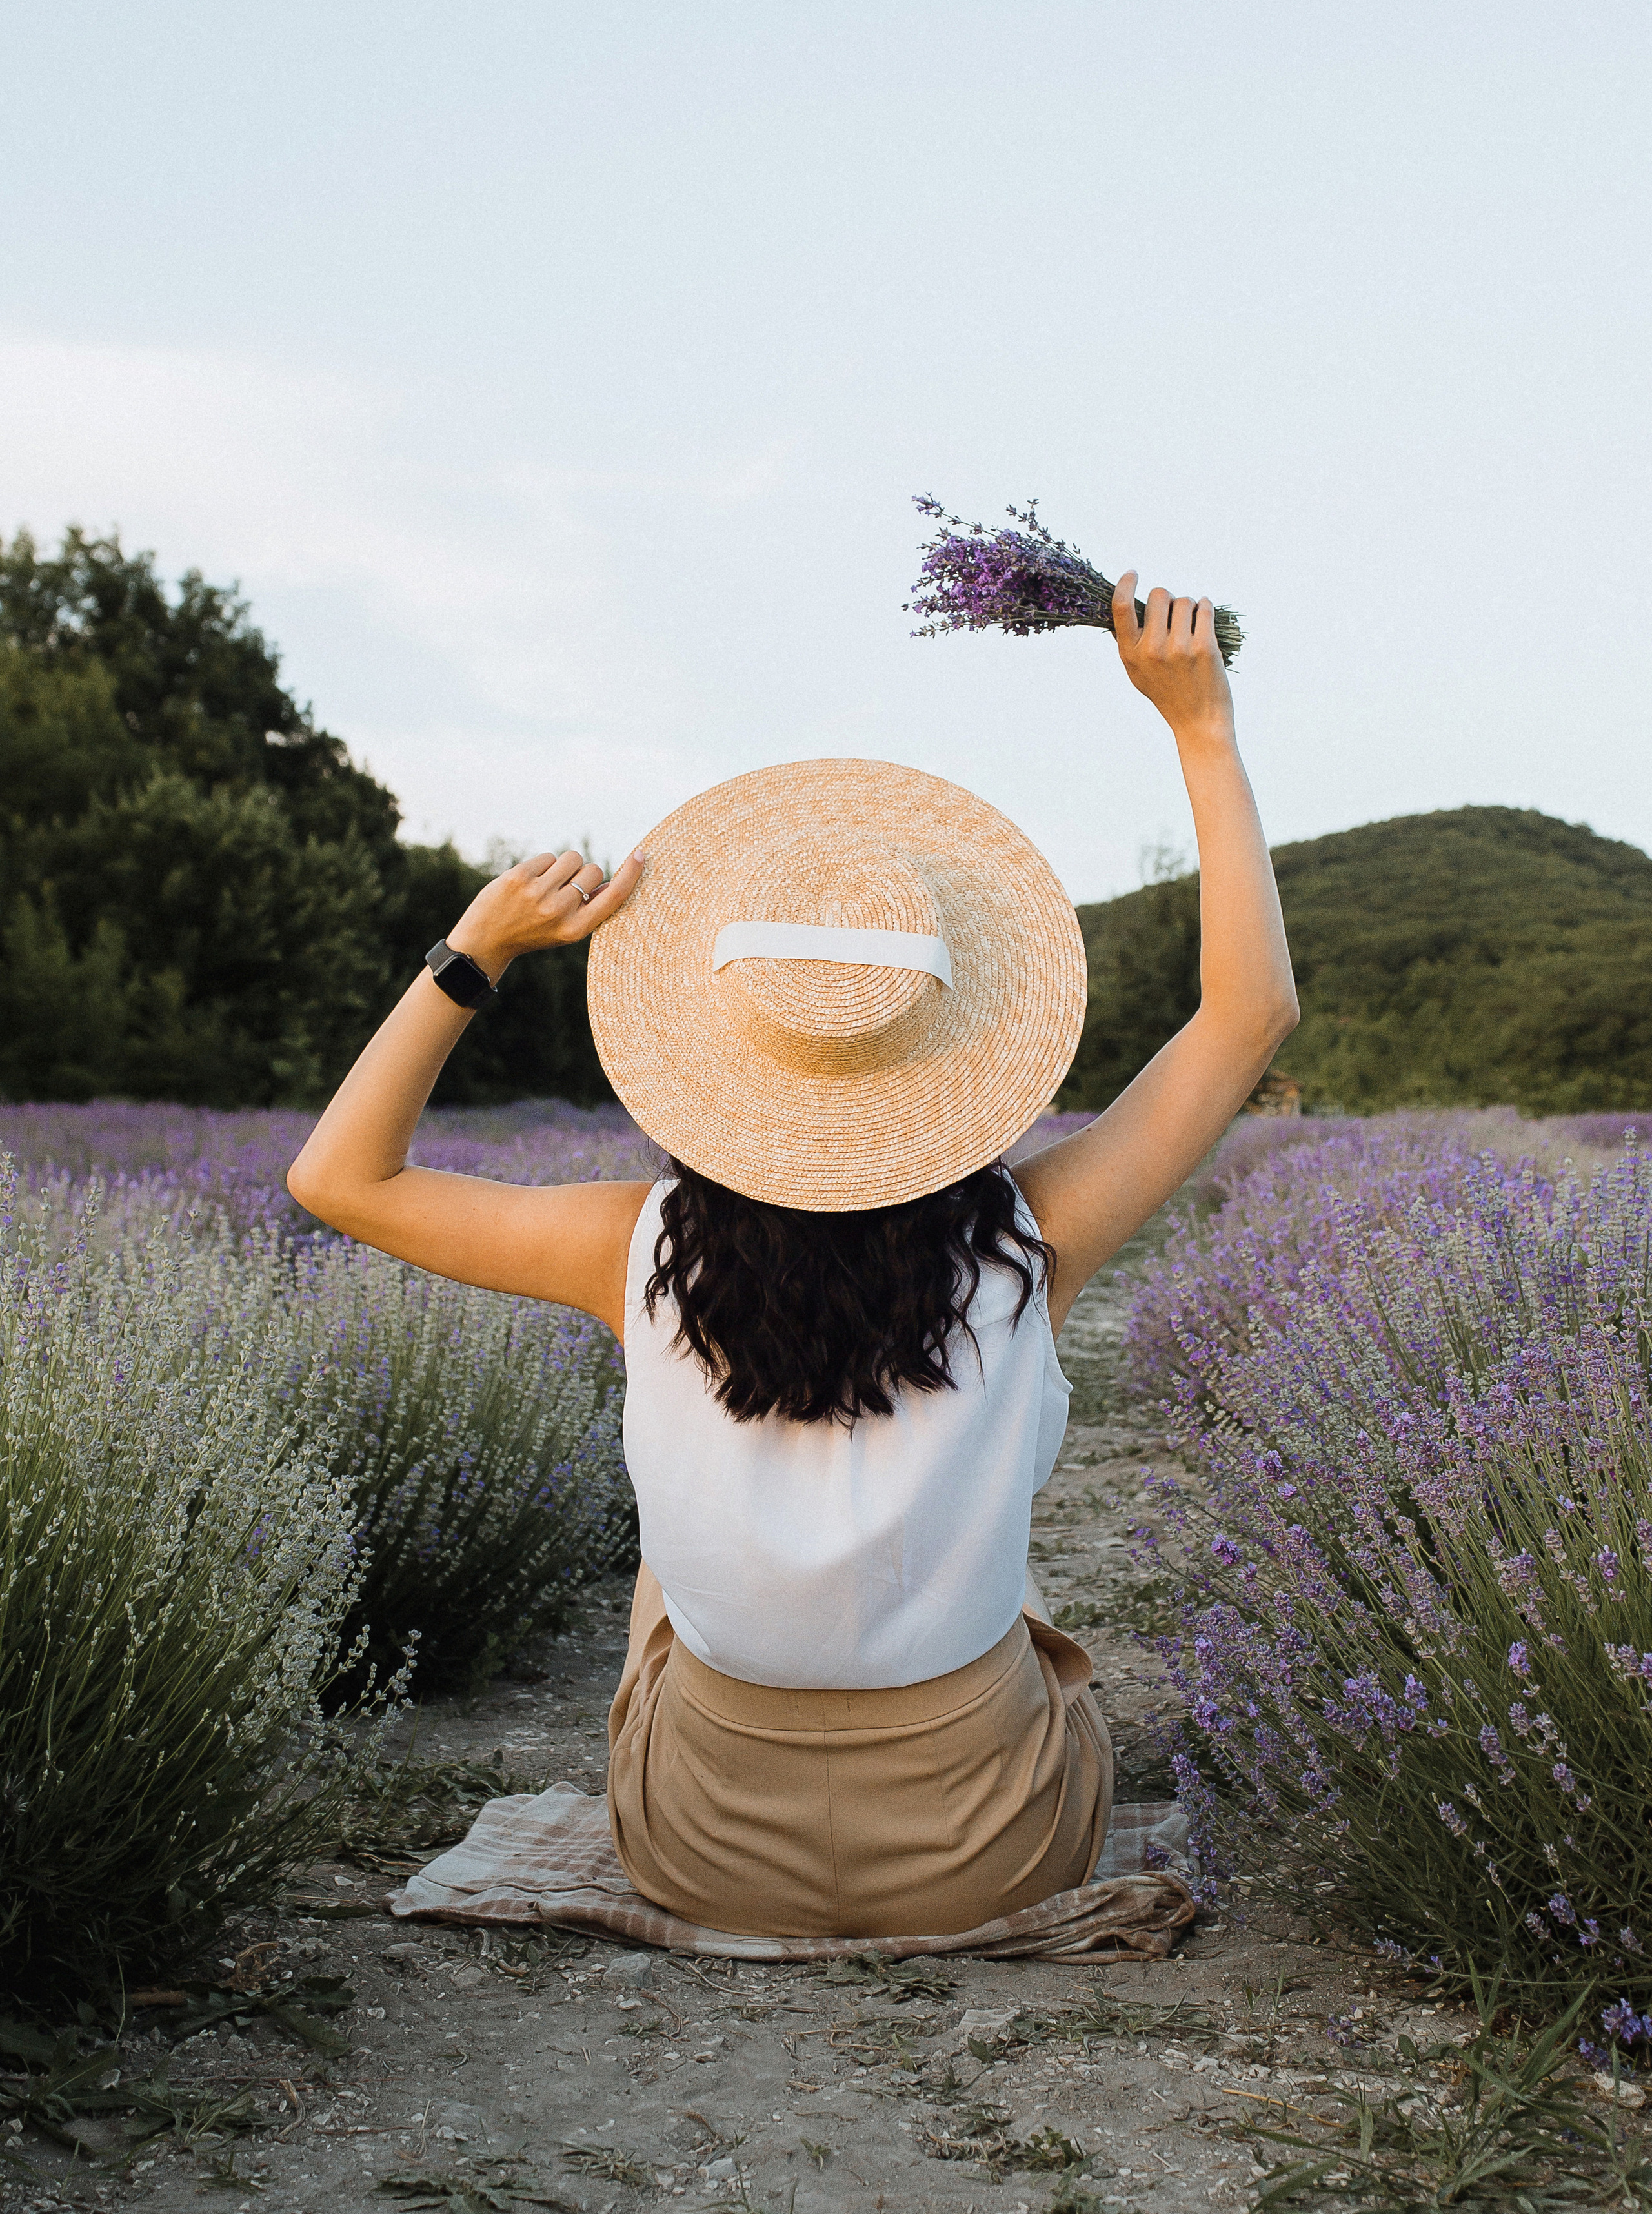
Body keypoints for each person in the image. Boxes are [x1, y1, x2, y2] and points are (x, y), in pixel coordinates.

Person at [287, 576, 1297, 1938]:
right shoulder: (1034, 1238)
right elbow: (1247, 1016)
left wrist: (476, 952)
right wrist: (1200, 728)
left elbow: (336, 1179)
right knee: (998, 1560)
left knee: (674, 1568)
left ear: (720, 1061)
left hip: (702, 1852)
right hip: (993, 1853)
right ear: (951, 1057)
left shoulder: (628, 1246)